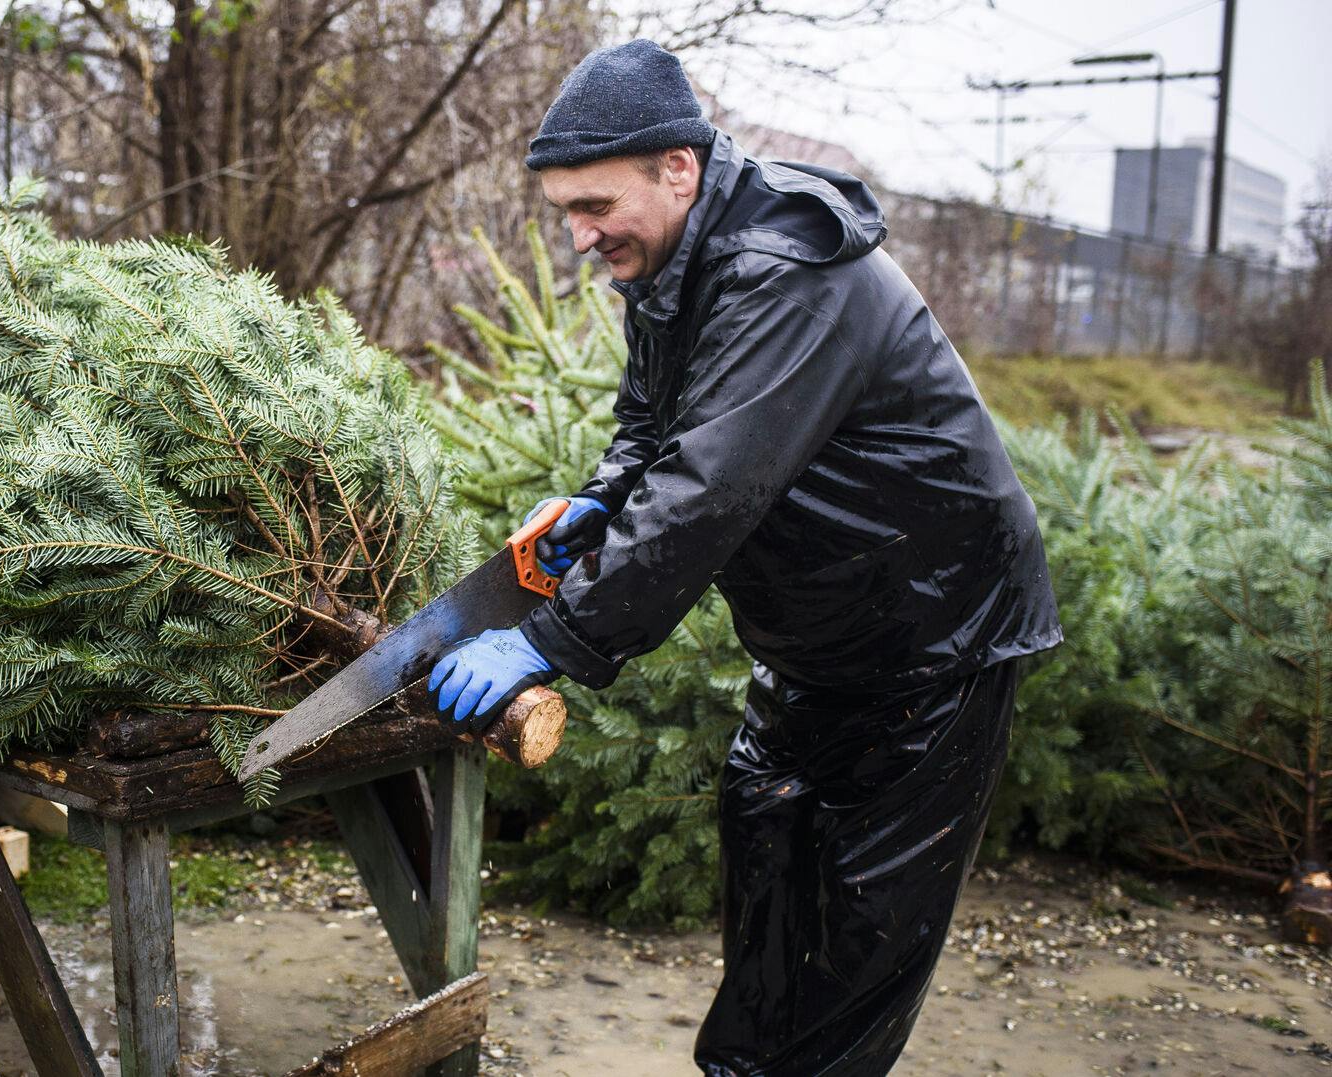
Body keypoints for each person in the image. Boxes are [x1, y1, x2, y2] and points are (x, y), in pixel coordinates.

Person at [426, 39, 1063, 1077]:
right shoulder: (675, 260)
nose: (582, 238)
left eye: (596, 207)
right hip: (818, 640)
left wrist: (553, 637)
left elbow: (713, 488)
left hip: (932, 640)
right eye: (566, 215)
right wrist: (602, 496)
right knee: (768, 878)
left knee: (851, 946)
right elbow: (654, 427)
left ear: (677, 167)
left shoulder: (780, 271)